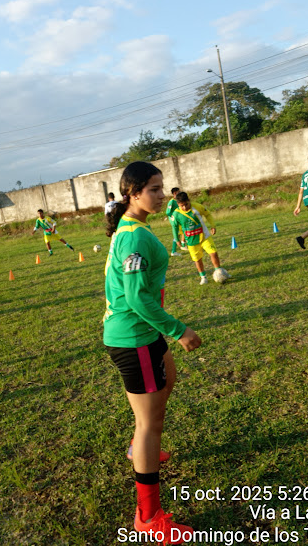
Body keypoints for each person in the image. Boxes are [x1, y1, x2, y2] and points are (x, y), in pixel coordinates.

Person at [104, 161, 201, 544]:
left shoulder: (134, 227)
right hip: (134, 337)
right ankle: (148, 517)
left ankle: (140, 446)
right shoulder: (133, 237)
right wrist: (179, 330)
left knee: (167, 381)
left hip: (145, 332)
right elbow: (136, 298)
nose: (162, 196)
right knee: (150, 424)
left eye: (162, 188)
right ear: (133, 193)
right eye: (154, 189)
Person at [171, 192, 229, 285]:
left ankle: (219, 272)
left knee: (213, 253)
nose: (185, 207)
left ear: (189, 200)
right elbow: (174, 227)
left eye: (186, 204)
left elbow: (207, 214)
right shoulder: (176, 214)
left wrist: (213, 226)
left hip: (204, 236)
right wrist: (177, 239)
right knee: (197, 260)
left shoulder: (197, 207)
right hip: (191, 241)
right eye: (182, 206)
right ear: (178, 204)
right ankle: (203, 277)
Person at [166, 187, 187, 256]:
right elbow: (168, 212)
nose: (180, 193)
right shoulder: (172, 201)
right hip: (175, 221)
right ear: (175, 193)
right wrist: (173, 217)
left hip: (179, 220)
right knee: (178, 234)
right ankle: (174, 251)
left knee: (183, 231)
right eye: (179, 192)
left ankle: (182, 245)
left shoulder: (177, 201)